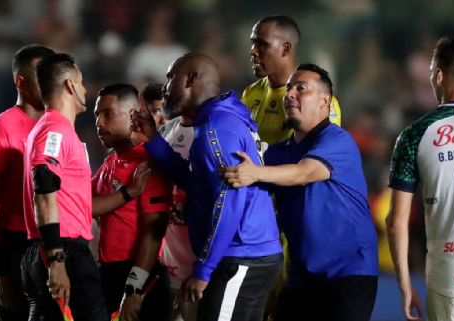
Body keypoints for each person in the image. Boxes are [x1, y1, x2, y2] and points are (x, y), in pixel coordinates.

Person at [131, 53, 283, 321]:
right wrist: (155, 141)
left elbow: (229, 204)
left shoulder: (216, 129)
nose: (165, 88)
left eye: (170, 78)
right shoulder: (216, 121)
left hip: (241, 255)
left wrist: (203, 270)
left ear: (190, 79)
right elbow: (199, 183)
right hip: (248, 254)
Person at [222, 64, 378, 321]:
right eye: (289, 89)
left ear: (324, 101)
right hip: (301, 276)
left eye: (301, 88)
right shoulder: (276, 153)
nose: (290, 94)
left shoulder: (338, 140)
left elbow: (304, 172)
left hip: (349, 273)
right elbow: (250, 195)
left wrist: (255, 173)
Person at [387, 37, 454, 321]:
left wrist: (405, 285)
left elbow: (396, 222)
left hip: (451, 271)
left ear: (438, 75)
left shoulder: (415, 135)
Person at [21, 53, 108, 321]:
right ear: (70, 86)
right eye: (81, 82)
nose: (84, 89)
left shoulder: (54, 129)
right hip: (63, 251)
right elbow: (44, 186)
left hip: (53, 249)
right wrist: (57, 260)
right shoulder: (55, 130)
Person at [0, 44, 54, 321]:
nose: (48, 82)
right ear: (20, 81)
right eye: (40, 75)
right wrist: (1, 272)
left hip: (46, 246)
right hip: (10, 247)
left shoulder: (58, 128)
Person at [91, 83, 173, 321]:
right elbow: (83, 204)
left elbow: (154, 230)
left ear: (133, 115)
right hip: (110, 274)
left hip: (140, 279)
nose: (99, 123)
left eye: (107, 114)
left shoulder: (147, 162)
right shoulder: (111, 161)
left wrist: (134, 289)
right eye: (97, 115)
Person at [242, 15, 341, 145]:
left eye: (262, 45)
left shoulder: (319, 101)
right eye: (253, 43)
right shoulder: (251, 92)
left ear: (286, 49)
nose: (253, 51)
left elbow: (323, 157)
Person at [157, 112, 197, 321]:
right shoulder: (167, 130)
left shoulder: (212, 132)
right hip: (164, 268)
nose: (168, 83)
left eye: (173, 76)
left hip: (196, 273)